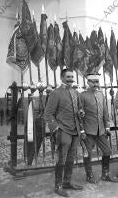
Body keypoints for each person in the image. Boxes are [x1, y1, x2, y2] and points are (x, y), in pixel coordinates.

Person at [44, 68, 83, 197]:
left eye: (72, 77)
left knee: (71, 158)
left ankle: (67, 182)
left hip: (75, 130)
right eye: (68, 77)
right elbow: (48, 114)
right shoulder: (56, 93)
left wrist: (81, 113)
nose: (71, 79)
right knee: (61, 159)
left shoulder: (76, 93)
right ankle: (58, 185)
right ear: (62, 78)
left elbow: (79, 110)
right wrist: (56, 129)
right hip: (63, 131)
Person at [79, 72, 118, 184]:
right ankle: (89, 175)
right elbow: (80, 115)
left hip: (101, 130)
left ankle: (105, 174)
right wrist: (82, 130)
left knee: (107, 151)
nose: (96, 84)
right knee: (88, 154)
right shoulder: (82, 96)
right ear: (88, 82)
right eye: (93, 82)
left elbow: (105, 112)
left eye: (97, 82)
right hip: (88, 131)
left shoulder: (101, 94)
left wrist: (107, 128)